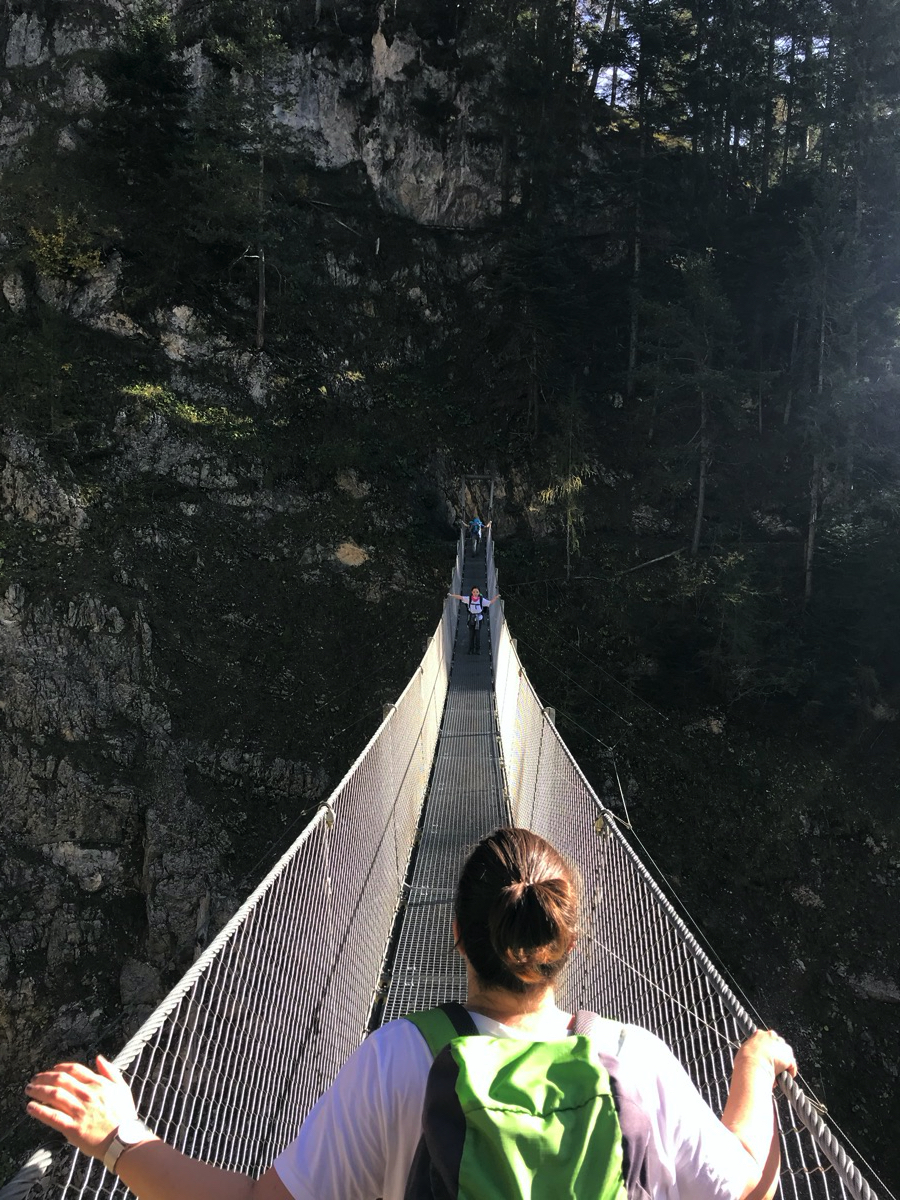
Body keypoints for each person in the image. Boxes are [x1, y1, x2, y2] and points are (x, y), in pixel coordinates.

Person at [24, 827, 796, 1200]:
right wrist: (753, 1064)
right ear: (566, 944)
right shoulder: (638, 1059)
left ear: (456, 935)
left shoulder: (399, 1057)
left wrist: (119, 1141)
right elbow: (747, 1187)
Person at [448, 584, 499, 654]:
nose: (475, 593)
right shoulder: (469, 599)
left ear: (479, 593)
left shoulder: (481, 600)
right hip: (471, 619)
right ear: (472, 592)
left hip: (479, 619)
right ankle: (470, 649)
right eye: (474, 592)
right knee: (471, 635)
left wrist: (496, 597)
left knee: (477, 635)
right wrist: (452, 595)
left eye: (477, 592)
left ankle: (478, 650)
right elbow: (460, 597)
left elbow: (490, 602)